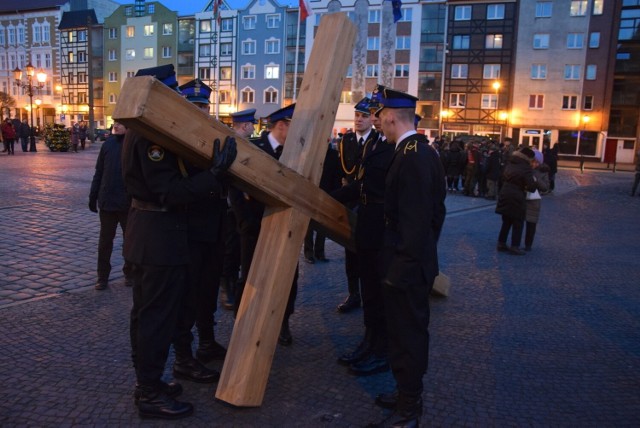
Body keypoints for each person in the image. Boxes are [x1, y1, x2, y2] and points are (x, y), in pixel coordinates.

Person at [122, 65, 237, 420]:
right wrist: (215, 176)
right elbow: (169, 192)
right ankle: (150, 391)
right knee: (154, 317)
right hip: (160, 235)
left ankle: (148, 382)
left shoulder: (142, 131)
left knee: (146, 315)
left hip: (150, 234)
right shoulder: (152, 138)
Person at [370, 88, 446, 427]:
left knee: (408, 336)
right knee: (403, 334)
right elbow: (436, 215)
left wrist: (399, 269)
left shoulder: (413, 156)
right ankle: (405, 393)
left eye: (380, 117)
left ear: (390, 117)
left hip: (407, 268)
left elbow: (416, 222)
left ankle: (409, 408)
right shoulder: (417, 151)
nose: (378, 124)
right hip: (411, 263)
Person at [170, 78, 229, 376]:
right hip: (188, 230)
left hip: (214, 228)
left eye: (204, 106)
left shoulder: (218, 136)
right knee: (187, 296)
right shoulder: (175, 139)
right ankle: (183, 357)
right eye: (194, 106)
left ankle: (207, 342)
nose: (201, 111)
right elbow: (179, 187)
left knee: (207, 291)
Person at [332, 90, 393, 377]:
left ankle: (381, 348)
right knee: (369, 289)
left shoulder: (395, 147)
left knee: (380, 294)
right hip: (368, 227)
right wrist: (333, 197)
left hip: (382, 230)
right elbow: (360, 184)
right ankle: (369, 342)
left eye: (377, 113)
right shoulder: (375, 145)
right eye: (374, 113)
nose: (374, 117)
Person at [229, 103, 298, 346]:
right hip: (254, 228)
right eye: (294, 125)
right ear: (282, 125)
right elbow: (235, 188)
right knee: (249, 275)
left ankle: (283, 321)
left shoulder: (296, 152)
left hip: (286, 229)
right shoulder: (254, 148)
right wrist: (245, 221)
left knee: (287, 277)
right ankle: (243, 321)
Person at [335, 97, 377, 313]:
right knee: (350, 251)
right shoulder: (347, 140)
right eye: (356, 116)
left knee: (369, 252)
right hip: (349, 200)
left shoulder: (378, 141)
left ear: (372, 118)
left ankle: (371, 293)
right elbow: (340, 171)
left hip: (369, 202)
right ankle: (354, 293)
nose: (359, 120)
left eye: (363, 116)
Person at [218, 108, 258, 310]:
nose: (254, 127)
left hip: (243, 207)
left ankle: (235, 286)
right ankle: (226, 287)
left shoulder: (247, 145)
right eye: (252, 124)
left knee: (239, 249)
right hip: (229, 207)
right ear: (245, 125)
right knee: (230, 249)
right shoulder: (230, 144)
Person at [88, 121, 133, 290]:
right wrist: (93, 196)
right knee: (105, 242)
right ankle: (102, 277)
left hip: (126, 202)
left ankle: (129, 273)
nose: (116, 126)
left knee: (129, 241)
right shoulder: (108, 144)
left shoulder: (132, 143)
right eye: (115, 123)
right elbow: (99, 172)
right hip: (107, 201)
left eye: (121, 123)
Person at [495, 147, 538, 255]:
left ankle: (501, 243)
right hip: (517, 195)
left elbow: (502, 178)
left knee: (506, 221)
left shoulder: (510, 163)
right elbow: (531, 186)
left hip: (505, 193)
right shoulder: (526, 167)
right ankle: (515, 246)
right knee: (518, 222)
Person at [303, 141, 341, 263]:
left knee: (323, 224)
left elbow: (337, 175)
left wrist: (335, 194)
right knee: (308, 225)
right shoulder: (310, 154)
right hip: (310, 192)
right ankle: (308, 253)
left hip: (327, 193)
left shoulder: (334, 154)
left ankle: (320, 252)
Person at [524, 149, 550, 251]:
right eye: (531, 161)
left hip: (534, 201)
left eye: (535, 161)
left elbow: (545, 187)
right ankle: (515, 243)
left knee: (531, 224)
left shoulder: (543, 172)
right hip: (523, 198)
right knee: (519, 222)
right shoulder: (525, 169)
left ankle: (528, 245)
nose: (533, 163)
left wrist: (536, 179)